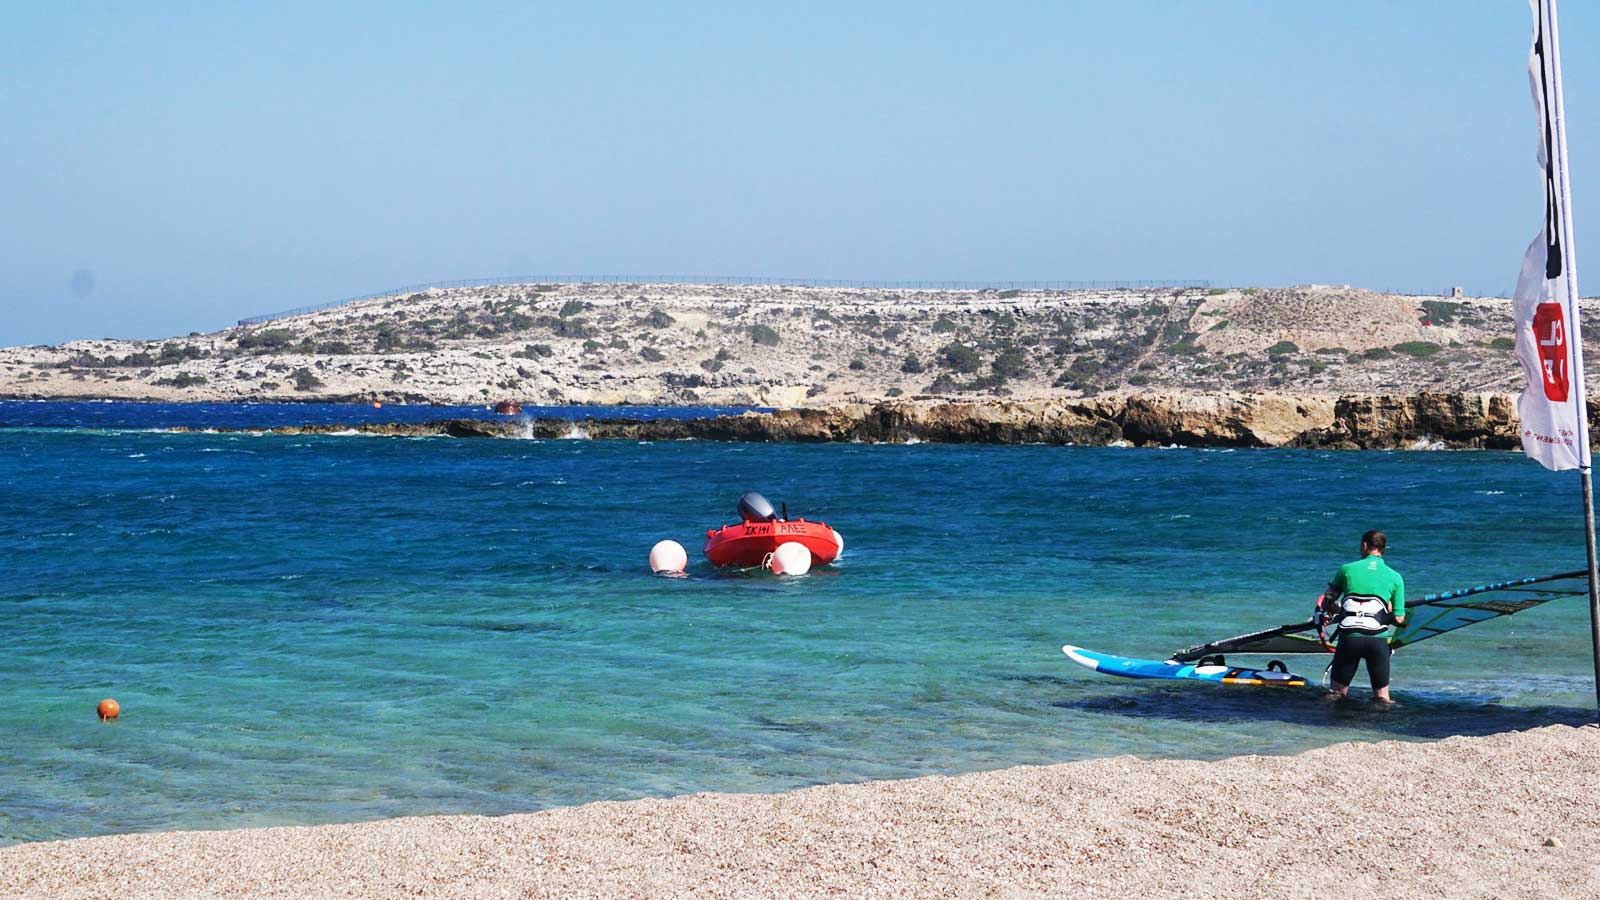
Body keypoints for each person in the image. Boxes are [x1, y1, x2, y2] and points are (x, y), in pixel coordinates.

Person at [1320, 530, 1406, 702]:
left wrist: (1341, 611)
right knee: (1382, 696)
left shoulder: (1346, 569)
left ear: (1364, 546)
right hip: (1377, 641)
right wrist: (1386, 611)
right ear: (1383, 549)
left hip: (1349, 638)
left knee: (1336, 693)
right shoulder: (1396, 577)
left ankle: (1328, 725)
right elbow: (1399, 619)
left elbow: (1326, 602)